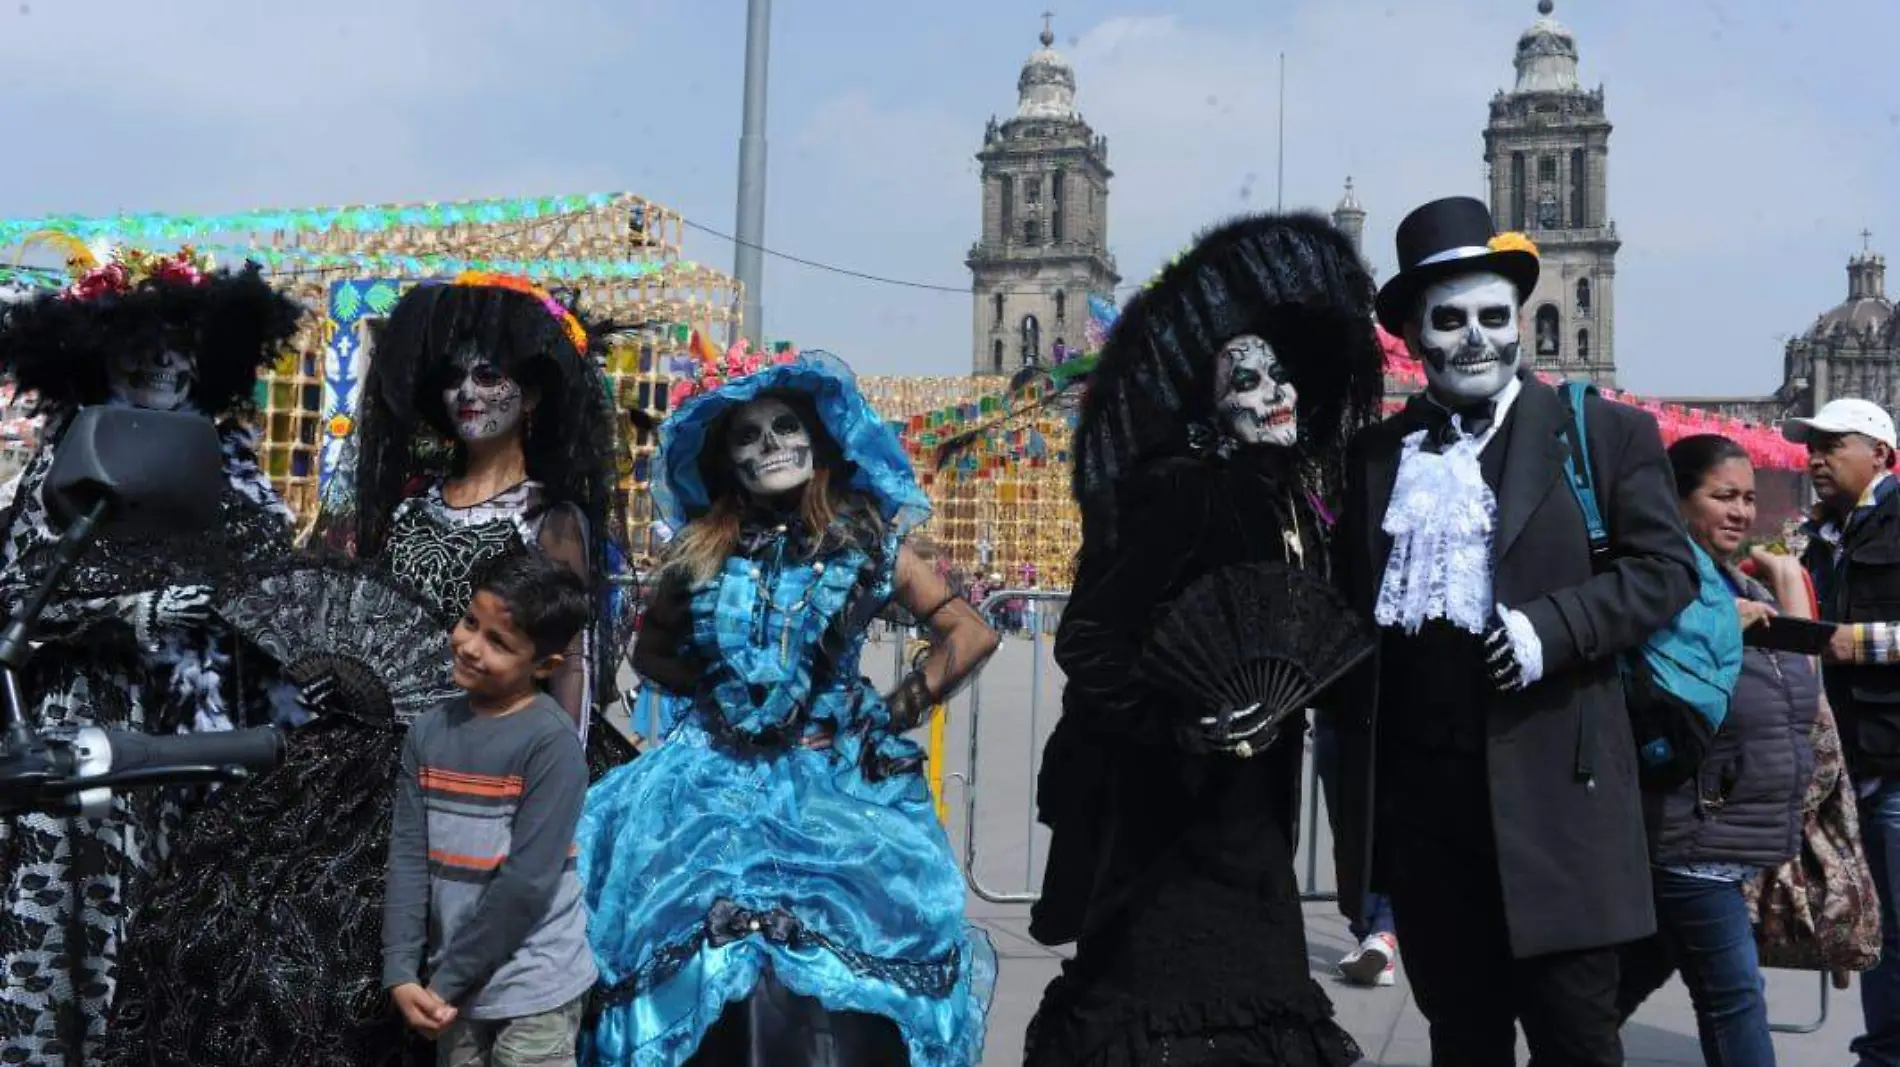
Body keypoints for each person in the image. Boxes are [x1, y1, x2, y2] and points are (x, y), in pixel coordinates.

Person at [100, 273, 623, 1067]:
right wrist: (324, 682)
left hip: (484, 768)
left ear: (536, 391)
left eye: (490, 374)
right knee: (235, 919)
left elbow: (568, 673)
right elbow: (357, 617)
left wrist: (551, 787)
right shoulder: (410, 504)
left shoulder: (548, 519)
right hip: (362, 759)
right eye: (454, 374)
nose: (467, 393)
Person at [1332, 196, 1698, 1067]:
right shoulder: (1378, 459)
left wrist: (1555, 627)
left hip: (1559, 811)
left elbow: (1667, 570)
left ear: (1520, 323)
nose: (1474, 339)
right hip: (1425, 824)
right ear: (1416, 335)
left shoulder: (1604, 434)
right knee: (1463, 1041)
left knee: (1575, 1039)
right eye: (1448, 319)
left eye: (1494, 317)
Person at [1025, 212, 1384, 1067]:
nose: (1277, 394)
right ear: (1209, 399)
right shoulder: (1181, 493)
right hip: (1169, 819)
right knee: (1175, 1013)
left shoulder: (1294, 499)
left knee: (1255, 1002)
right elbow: (1091, 639)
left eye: (1285, 376)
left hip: (1253, 816)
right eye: (1250, 379)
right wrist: (1176, 723)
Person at [580, 348, 999, 1067]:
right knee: (701, 953)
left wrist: (890, 710)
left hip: (835, 783)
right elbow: (651, 653)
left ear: (818, 439)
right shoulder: (700, 552)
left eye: (784, 426)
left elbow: (970, 631)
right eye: (748, 435)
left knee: (841, 972)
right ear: (727, 460)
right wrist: (723, 694)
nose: (770, 445)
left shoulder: (868, 541)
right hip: (708, 786)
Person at [0, 247, 302, 1066]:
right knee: (95, 926)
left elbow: (276, 580)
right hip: (97, 719)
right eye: (140, 344)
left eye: (178, 344)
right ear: (100, 353)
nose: (161, 363)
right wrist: (128, 610)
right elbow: (20, 594)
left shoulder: (232, 461)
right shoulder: (65, 456)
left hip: (213, 727)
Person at [1616, 434, 1817, 1067]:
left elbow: (1807, 695)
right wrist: (1722, 620)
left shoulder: (1736, 585)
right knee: (1734, 998)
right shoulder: (1662, 585)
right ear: (1675, 500)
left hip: (1726, 838)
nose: (1741, 512)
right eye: (1722, 495)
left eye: (1750, 498)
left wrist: (1784, 585)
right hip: (1690, 838)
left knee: (1614, 990)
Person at [383, 553, 596, 1067]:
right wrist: (400, 971)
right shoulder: (429, 732)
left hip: (534, 982)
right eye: (470, 622)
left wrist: (446, 982)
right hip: (453, 988)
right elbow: (409, 857)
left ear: (544, 667)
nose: (471, 646)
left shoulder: (550, 745)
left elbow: (527, 884)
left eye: (498, 643)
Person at [1785, 398, 1900, 1066]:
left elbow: (1842, 643)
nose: (1817, 458)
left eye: (1833, 444)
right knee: (1879, 928)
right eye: (1812, 446)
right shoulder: (1824, 534)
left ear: (1880, 453)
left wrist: (1851, 643)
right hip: (1855, 763)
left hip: (1895, 757)